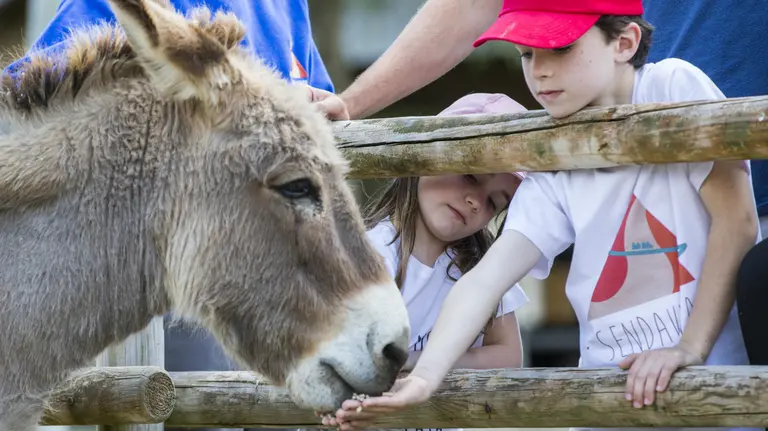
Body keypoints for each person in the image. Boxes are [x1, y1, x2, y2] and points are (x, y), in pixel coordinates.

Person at [321, 2, 760, 431]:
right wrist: (424, 378)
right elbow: (486, 279)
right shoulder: (549, 160)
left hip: (704, 389)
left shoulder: (671, 85)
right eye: (528, 54)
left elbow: (737, 220)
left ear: (624, 42)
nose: (540, 71)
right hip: (605, 401)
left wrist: (689, 348)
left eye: (561, 48)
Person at [2, 2, 334, 431]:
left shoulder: (287, 5)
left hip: (273, 286)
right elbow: (33, 102)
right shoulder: (123, 9)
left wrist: (315, 112)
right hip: (166, 294)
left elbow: (317, 102)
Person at [311, 92, 530, 431]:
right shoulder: (369, 253)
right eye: (471, 176)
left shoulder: (485, 266)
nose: (476, 202)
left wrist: (419, 364)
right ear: (426, 156)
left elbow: (509, 356)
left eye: (494, 203)